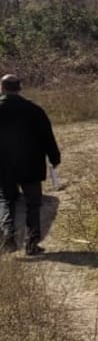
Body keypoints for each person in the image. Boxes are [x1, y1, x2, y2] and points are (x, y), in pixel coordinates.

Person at [0, 74, 61, 256]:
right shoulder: (34, 110)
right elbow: (47, 136)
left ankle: (8, 238)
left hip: (4, 166)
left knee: (6, 200)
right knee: (33, 204)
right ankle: (32, 243)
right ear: (19, 88)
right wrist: (54, 157)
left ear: (2, 88)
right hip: (31, 164)